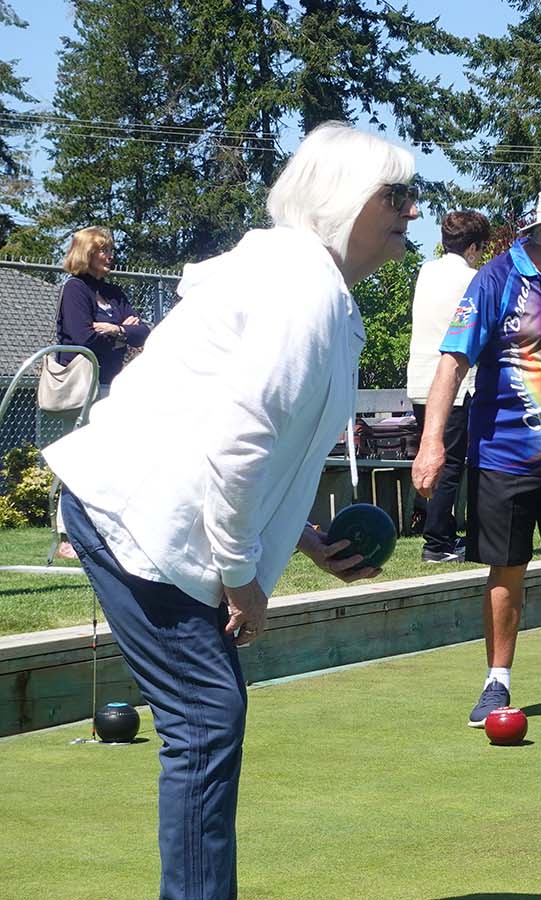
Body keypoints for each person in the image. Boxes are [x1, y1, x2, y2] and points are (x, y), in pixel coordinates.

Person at [41, 122, 405, 899]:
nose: (412, 211)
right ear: (343, 202)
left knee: (208, 715)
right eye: (397, 195)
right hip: (139, 515)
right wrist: (244, 578)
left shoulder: (315, 290)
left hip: (161, 511)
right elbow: (239, 444)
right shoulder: (301, 290)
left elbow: (263, 441)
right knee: (206, 716)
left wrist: (300, 537)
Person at [414, 183, 541, 726]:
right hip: (503, 456)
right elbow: (452, 362)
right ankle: (497, 681)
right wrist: (432, 441)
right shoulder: (496, 280)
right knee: (507, 569)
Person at [48, 226, 151, 560]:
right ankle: (67, 537)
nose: (110, 256)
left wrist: (116, 329)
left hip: (113, 386)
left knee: (113, 460)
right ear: (86, 254)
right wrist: (123, 331)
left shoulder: (114, 292)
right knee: (78, 458)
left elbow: (143, 332)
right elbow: (82, 337)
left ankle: (107, 530)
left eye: (110, 250)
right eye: (102, 250)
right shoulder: (75, 290)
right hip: (83, 388)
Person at [406, 209, 491, 563]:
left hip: (420, 379)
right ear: (472, 248)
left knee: (434, 456)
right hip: (454, 385)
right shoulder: (474, 279)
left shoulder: (426, 272)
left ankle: (441, 534)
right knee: (451, 461)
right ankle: (438, 542)